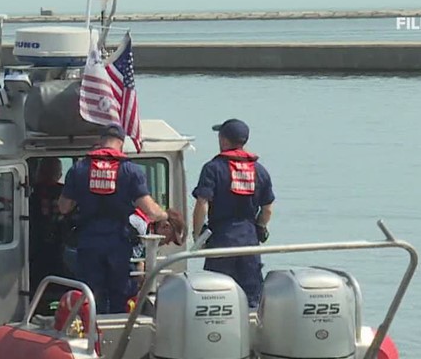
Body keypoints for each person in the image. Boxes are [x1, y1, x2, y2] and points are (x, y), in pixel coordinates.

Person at [59, 123, 171, 314]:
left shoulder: (79, 169)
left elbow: (64, 207)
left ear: (101, 141)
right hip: (119, 244)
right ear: (121, 143)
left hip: (89, 242)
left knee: (91, 296)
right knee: (122, 296)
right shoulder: (131, 170)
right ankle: (119, 333)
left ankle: (93, 334)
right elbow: (150, 211)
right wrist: (165, 215)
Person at [191, 118, 275, 309]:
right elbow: (268, 208)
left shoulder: (213, 169)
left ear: (224, 140)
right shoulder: (260, 171)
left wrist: (197, 235)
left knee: (216, 296)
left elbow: (202, 204)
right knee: (251, 296)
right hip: (249, 243)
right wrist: (260, 228)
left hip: (221, 240)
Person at [29, 157, 67, 287]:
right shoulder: (66, 193)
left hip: (37, 245)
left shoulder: (31, 193)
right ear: (60, 174)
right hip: (60, 244)